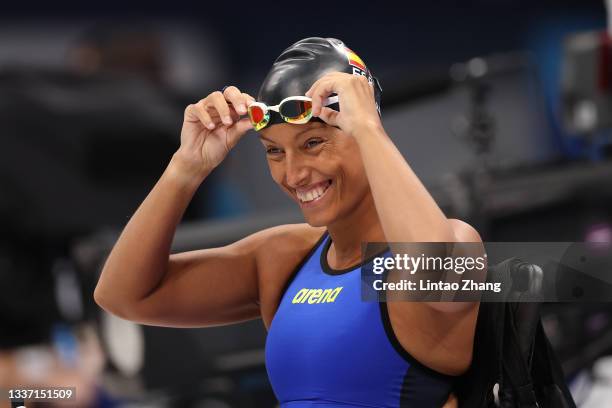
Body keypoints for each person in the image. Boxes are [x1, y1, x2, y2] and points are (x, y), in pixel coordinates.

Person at [94, 37, 483, 408]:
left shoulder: (457, 243)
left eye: (313, 143)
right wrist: (185, 168)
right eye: (275, 151)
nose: (294, 174)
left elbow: (433, 272)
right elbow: (122, 296)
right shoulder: (284, 258)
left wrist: (368, 128)